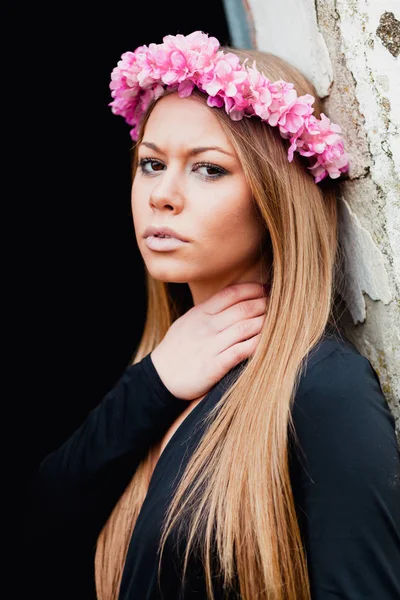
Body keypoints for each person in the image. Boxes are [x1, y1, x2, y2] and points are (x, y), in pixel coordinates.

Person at [28, 31, 400, 600]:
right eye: (151, 164)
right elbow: (40, 525)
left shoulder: (324, 388)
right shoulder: (165, 375)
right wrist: (152, 382)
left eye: (208, 169)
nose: (162, 195)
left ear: (276, 196)